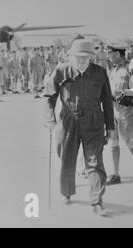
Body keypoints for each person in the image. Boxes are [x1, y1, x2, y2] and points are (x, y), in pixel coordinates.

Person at [44, 39, 115, 216]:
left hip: (94, 122)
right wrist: (50, 120)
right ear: (71, 57)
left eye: (86, 57)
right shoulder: (61, 70)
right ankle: (67, 192)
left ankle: (97, 200)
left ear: (92, 57)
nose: (81, 61)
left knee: (95, 162)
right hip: (68, 121)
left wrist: (110, 127)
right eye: (78, 57)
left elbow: (107, 101)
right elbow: (48, 97)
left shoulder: (100, 72)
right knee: (67, 159)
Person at [105, 44, 133, 185]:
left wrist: (127, 94)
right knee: (114, 142)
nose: (108, 56)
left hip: (127, 110)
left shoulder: (131, 68)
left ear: (117, 53)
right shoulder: (113, 69)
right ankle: (116, 174)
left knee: (128, 141)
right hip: (113, 110)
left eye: (110, 53)